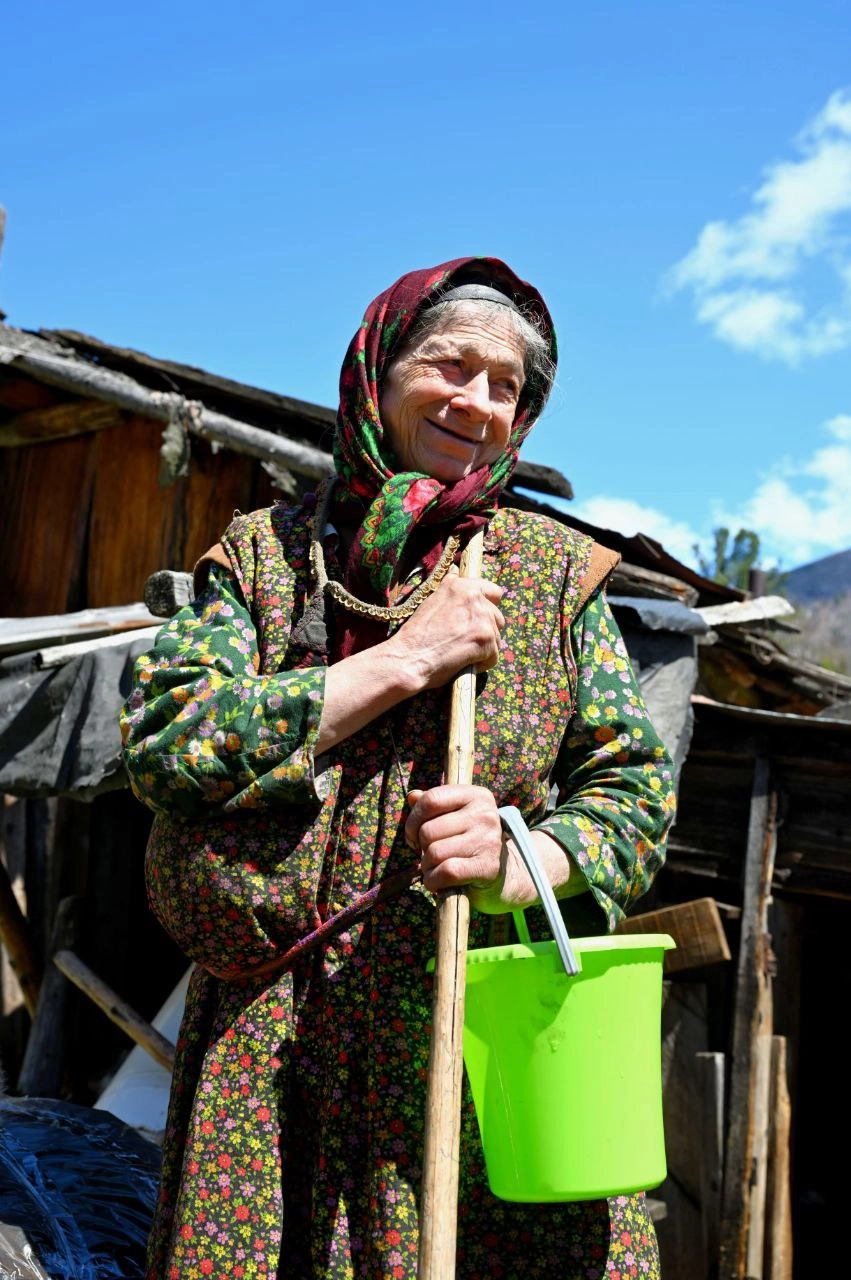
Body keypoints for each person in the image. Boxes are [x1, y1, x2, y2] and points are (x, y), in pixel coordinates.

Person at [120, 255, 677, 1280]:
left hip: (467, 1057)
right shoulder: (264, 558)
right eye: (448, 365)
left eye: (505, 387)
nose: (476, 400)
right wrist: (405, 660)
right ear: (376, 372)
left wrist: (524, 859)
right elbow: (167, 741)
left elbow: (632, 794)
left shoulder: (553, 579)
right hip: (269, 1054)